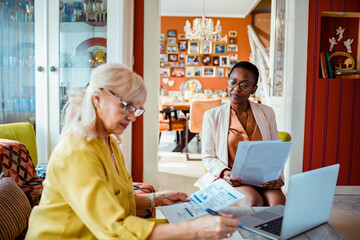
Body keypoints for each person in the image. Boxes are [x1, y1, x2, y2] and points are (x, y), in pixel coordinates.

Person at [26, 63, 240, 240]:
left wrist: (156, 198)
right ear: (97, 99)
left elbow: (113, 199)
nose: (133, 116)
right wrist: (194, 230)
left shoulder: (107, 141)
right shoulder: (77, 152)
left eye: (136, 108)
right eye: (126, 105)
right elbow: (115, 230)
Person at [194, 61, 286, 207]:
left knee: (278, 203)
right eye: (233, 82)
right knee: (253, 201)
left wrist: (277, 177)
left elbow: (274, 153)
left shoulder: (267, 113)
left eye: (244, 85)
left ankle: (269, 230)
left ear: (253, 89)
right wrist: (225, 173)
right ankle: (245, 230)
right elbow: (208, 157)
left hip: (263, 179)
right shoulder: (212, 116)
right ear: (228, 82)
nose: (236, 89)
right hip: (233, 179)